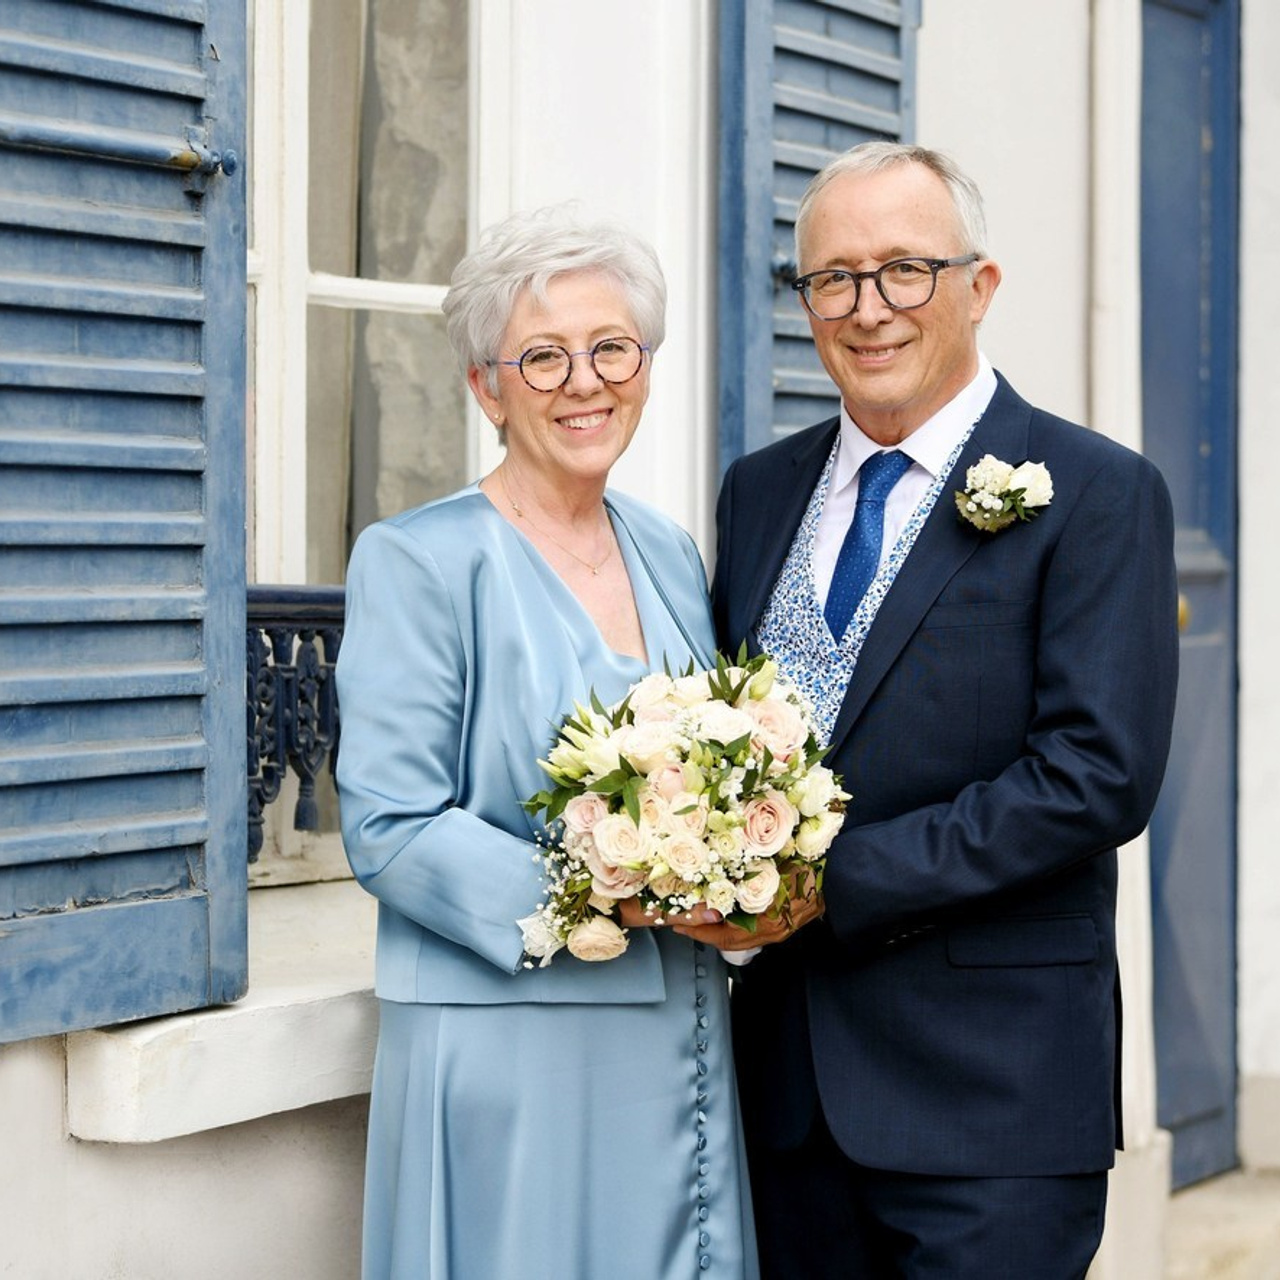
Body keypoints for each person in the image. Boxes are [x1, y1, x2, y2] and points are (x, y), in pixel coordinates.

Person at [698, 143, 1179, 1278]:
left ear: (979, 285)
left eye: (903, 269)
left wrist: (830, 883)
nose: (866, 309)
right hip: (786, 1094)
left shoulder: (1094, 490)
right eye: (832, 278)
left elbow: (1093, 773)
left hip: (991, 1099)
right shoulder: (757, 490)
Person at [334, 205, 758, 1280]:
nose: (584, 381)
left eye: (611, 347)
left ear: (644, 368)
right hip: (508, 1037)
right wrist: (608, 893)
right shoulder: (415, 561)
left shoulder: (664, 549)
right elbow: (389, 824)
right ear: (487, 386)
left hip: (681, 1029)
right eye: (542, 355)